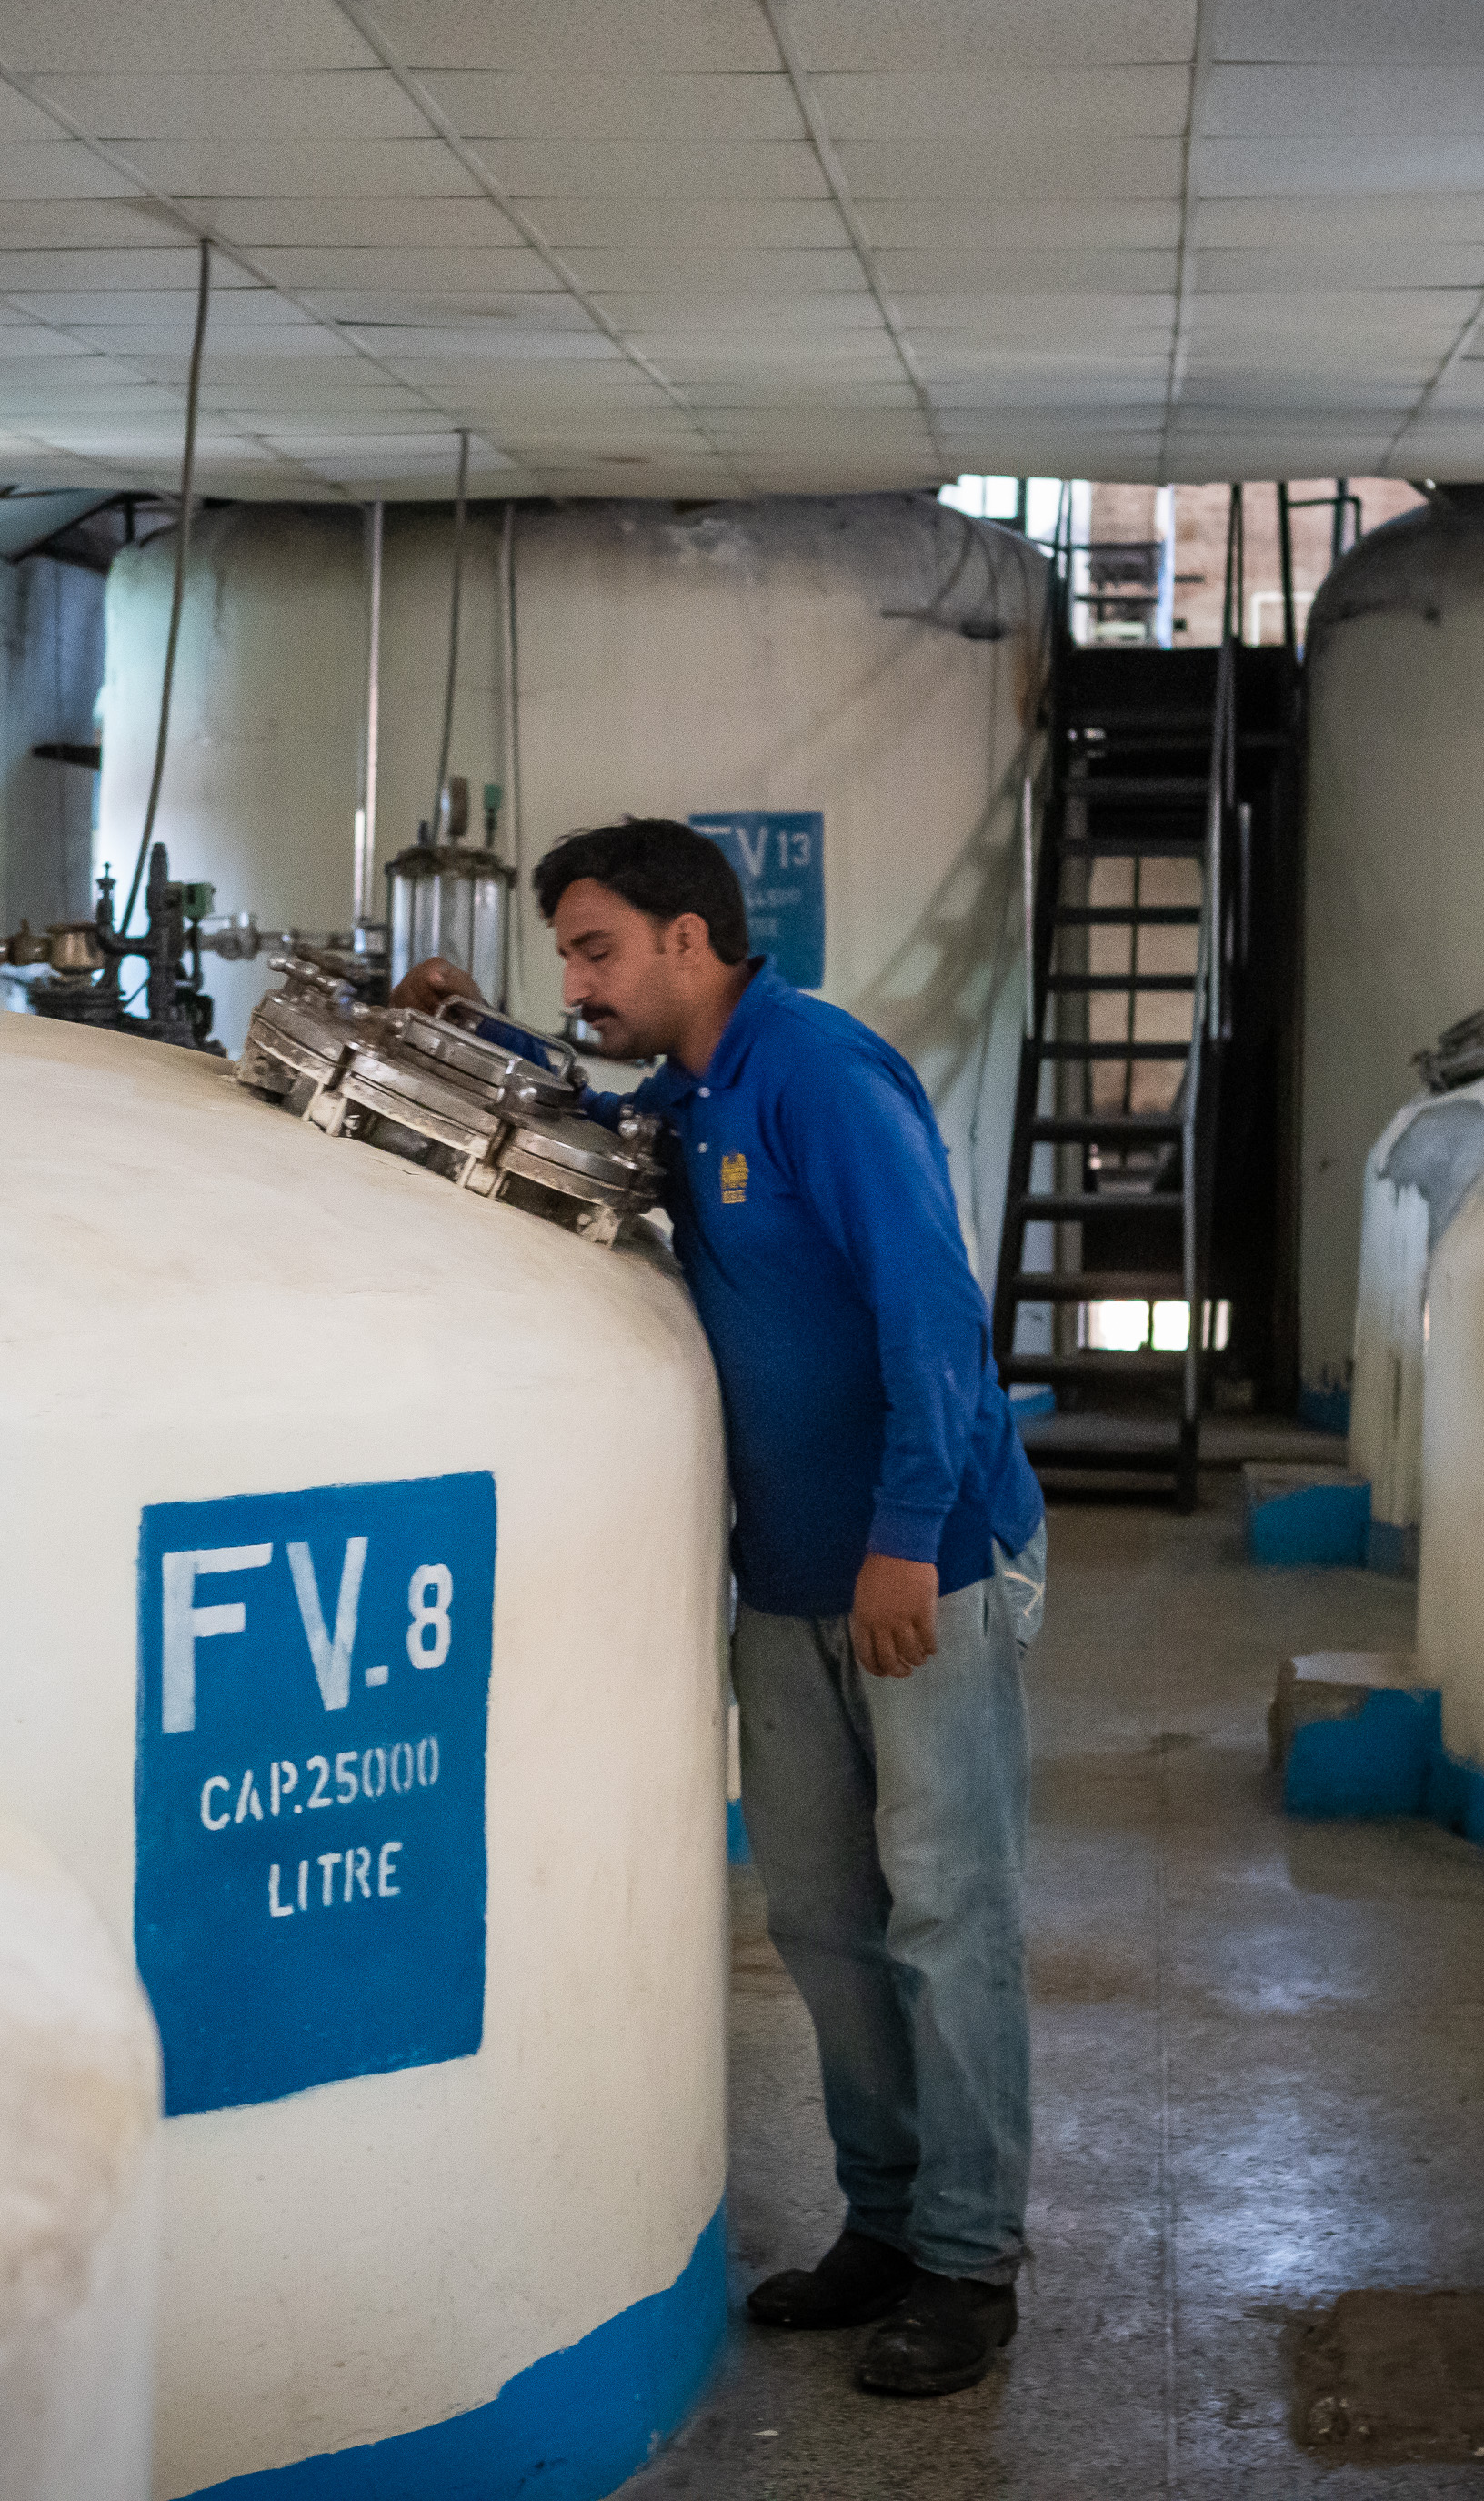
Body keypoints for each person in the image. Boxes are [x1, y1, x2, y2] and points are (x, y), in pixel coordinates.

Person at [401, 816, 1048, 2400]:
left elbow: (935, 1315)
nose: (576, 979)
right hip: (784, 1576)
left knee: (948, 1911)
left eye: (594, 949)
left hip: (925, 1562)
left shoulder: (818, 1077)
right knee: (825, 1920)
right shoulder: (695, 1092)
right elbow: (605, 1119)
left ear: (690, 941)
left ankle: (969, 2265)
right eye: (565, 954)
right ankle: (883, 2225)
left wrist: (906, 1537)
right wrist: (465, 1032)